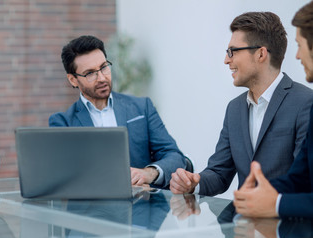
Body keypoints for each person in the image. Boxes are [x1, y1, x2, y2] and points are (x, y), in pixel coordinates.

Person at [170, 12, 313, 196]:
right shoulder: (234, 109)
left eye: (232, 51)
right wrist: (193, 183)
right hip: (241, 223)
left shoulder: (305, 103)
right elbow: (219, 173)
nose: (226, 60)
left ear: (261, 54)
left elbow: (304, 181)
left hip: (286, 222)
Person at [49, 35, 189, 189]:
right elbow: (63, 178)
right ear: (73, 80)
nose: (102, 78)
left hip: (142, 206)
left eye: (104, 67)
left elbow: (174, 156)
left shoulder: (142, 107)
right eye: (90, 73)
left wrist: (148, 174)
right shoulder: (63, 123)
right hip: (90, 211)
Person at [234, 1, 313, 219]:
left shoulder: (305, 102)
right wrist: (254, 195)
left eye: (299, 45)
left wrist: (277, 204)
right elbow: (300, 177)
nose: (296, 56)